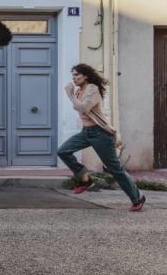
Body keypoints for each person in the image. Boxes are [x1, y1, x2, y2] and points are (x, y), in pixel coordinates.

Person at [58, 63, 146, 212]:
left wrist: (70, 95)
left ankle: (138, 197)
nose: (74, 78)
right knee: (63, 151)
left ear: (85, 76)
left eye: (77, 75)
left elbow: (83, 108)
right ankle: (85, 179)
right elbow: (80, 107)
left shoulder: (92, 89)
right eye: (73, 75)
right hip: (86, 132)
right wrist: (75, 95)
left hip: (101, 133)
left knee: (114, 169)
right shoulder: (80, 90)